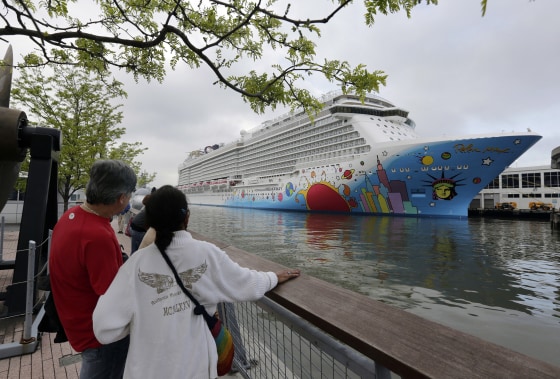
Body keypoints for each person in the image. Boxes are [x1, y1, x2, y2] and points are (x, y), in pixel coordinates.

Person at [93, 185, 300, 379]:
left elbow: (103, 328)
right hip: (195, 367)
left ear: (149, 223)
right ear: (187, 217)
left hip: (146, 370)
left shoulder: (135, 264)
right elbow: (248, 284)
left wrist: (144, 322)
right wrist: (274, 277)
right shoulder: (207, 253)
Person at [49, 159, 137, 379]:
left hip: (74, 319)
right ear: (121, 198)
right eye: (130, 194)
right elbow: (112, 295)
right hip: (100, 335)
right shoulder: (98, 235)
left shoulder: (71, 216)